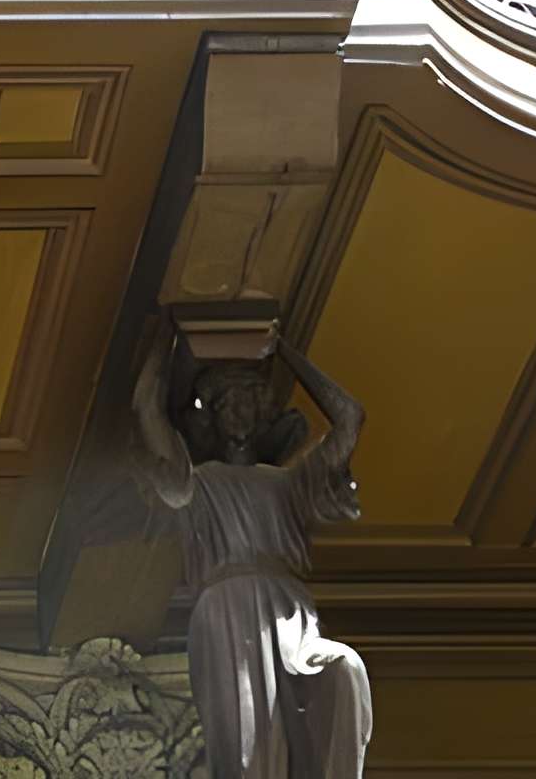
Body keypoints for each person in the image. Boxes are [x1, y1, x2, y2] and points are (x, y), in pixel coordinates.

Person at [131, 334, 372, 779]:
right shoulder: (198, 483)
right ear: (214, 416)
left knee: (344, 669)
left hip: (291, 610)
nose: (240, 411)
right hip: (229, 606)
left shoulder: (288, 483)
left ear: (263, 413)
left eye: (250, 401)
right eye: (228, 403)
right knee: (247, 742)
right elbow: (146, 406)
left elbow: (349, 418)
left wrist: (288, 352)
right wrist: (164, 333)